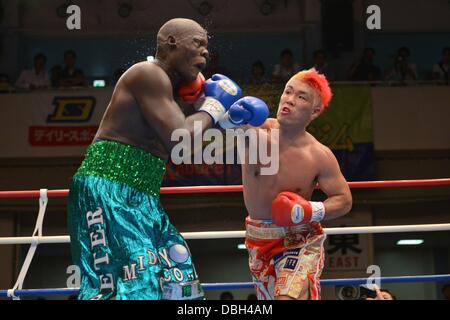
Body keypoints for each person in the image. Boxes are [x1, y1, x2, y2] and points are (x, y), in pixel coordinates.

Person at [67, 18, 268, 300]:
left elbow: (185, 148)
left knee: (179, 279)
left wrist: (226, 120)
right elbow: (179, 137)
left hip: (143, 197)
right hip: (106, 189)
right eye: (198, 43)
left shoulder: (171, 95)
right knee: (131, 285)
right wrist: (213, 106)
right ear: (172, 42)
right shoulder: (148, 73)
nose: (206, 52)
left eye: (207, 47)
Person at [241, 69, 352, 300]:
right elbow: (223, 128)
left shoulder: (319, 155)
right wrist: (224, 112)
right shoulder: (257, 130)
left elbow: (344, 200)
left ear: (315, 111)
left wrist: (310, 210)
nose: (289, 99)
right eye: (288, 92)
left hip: (300, 239)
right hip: (258, 238)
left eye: (301, 97)